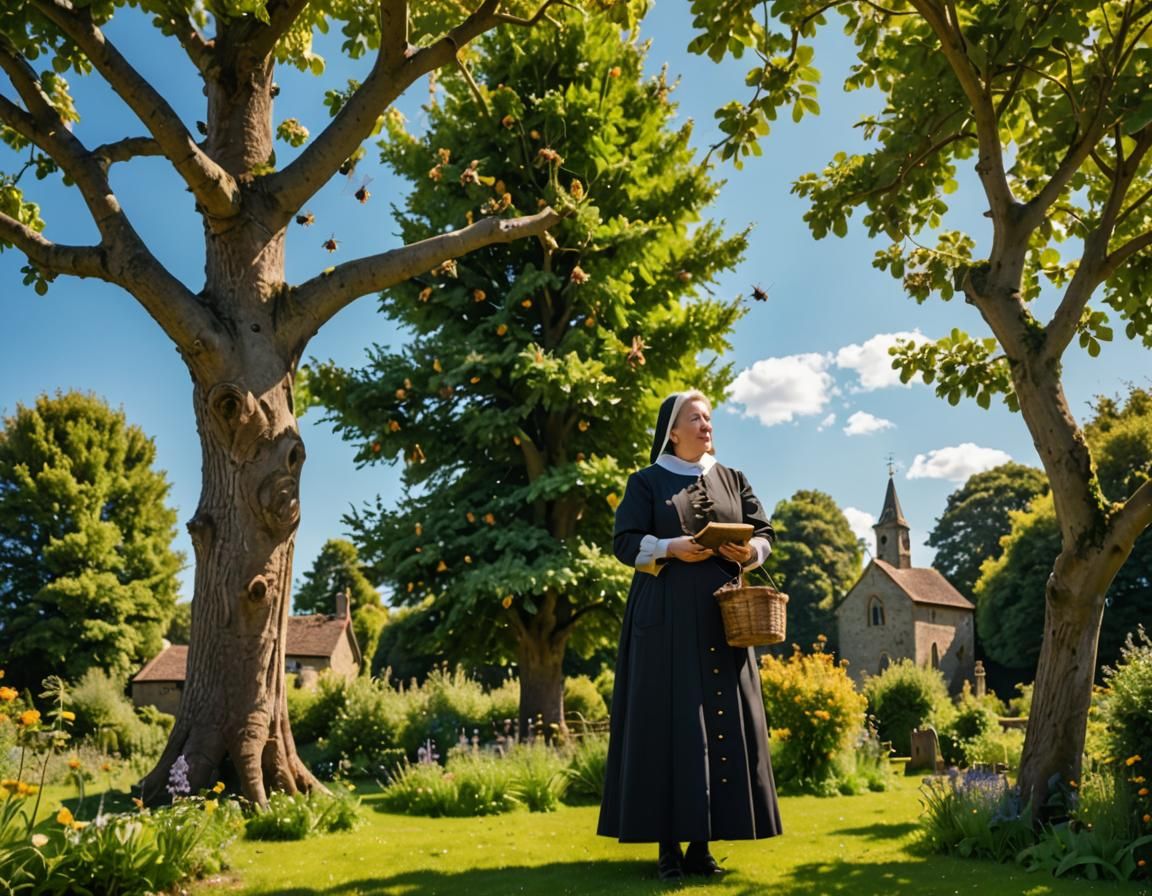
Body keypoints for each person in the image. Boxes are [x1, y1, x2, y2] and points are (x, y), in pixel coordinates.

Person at [597, 390, 782, 880]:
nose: (706, 426)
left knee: (717, 728)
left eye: (709, 418)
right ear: (672, 431)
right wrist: (671, 547)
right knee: (669, 727)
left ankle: (701, 849)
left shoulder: (733, 479)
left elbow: (764, 532)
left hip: (723, 620)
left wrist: (750, 553)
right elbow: (624, 543)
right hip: (664, 621)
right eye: (695, 418)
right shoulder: (645, 482)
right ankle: (667, 850)